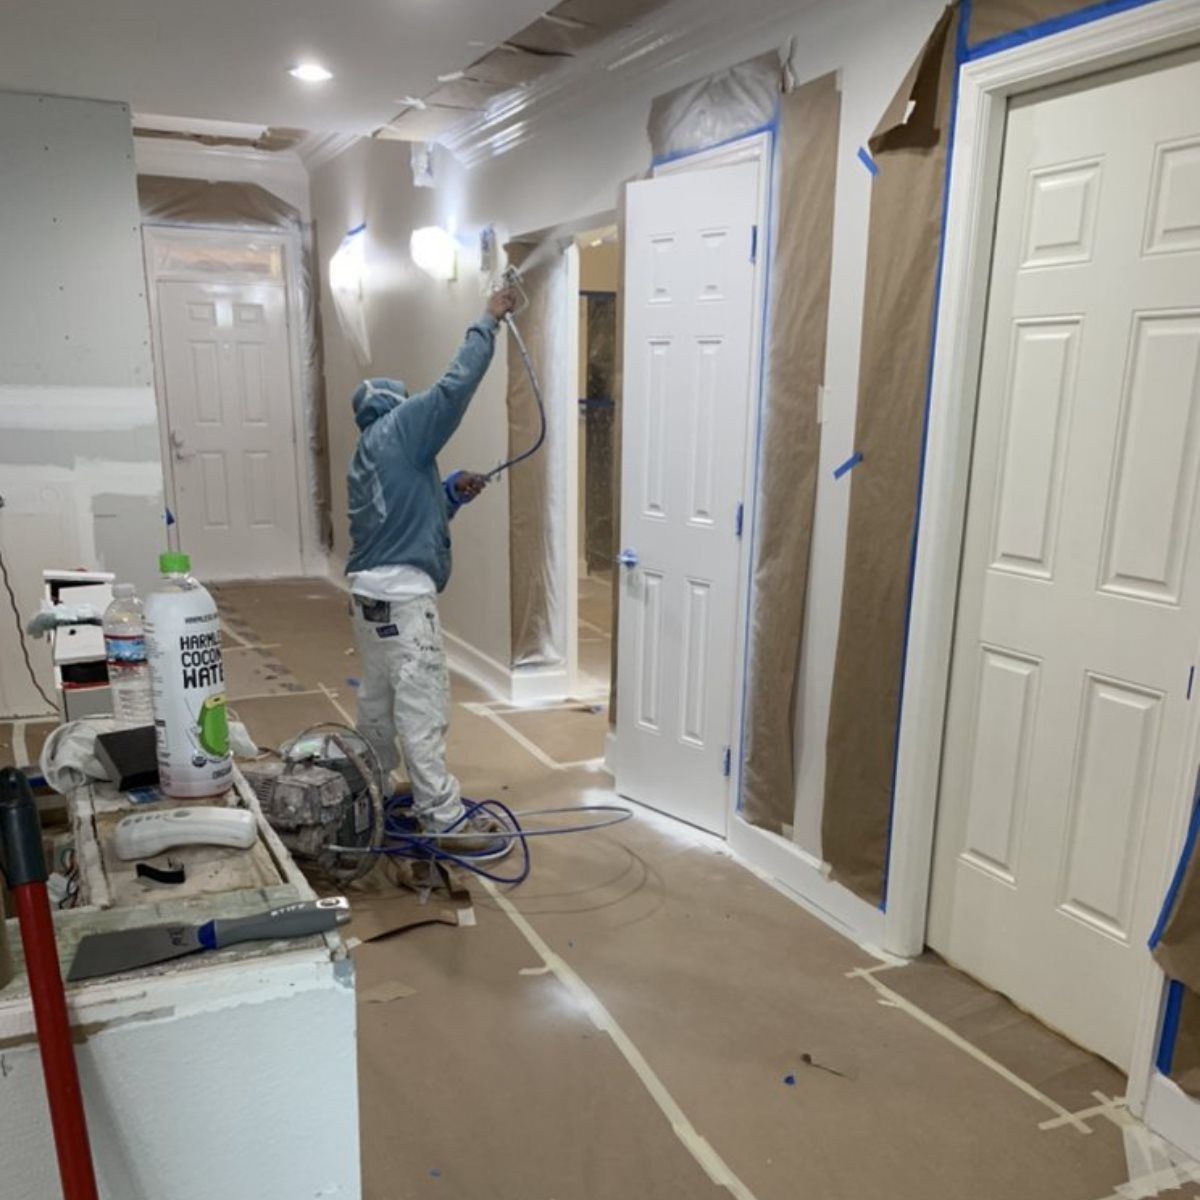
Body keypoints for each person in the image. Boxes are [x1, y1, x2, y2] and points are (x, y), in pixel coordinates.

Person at [346, 287, 517, 853]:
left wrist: (449, 494)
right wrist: (487, 321)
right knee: (422, 710)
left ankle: (366, 797)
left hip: (369, 602)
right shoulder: (402, 428)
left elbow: (396, 525)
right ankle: (442, 819)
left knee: (377, 707)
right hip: (404, 604)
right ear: (398, 406)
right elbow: (452, 389)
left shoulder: (369, 452)